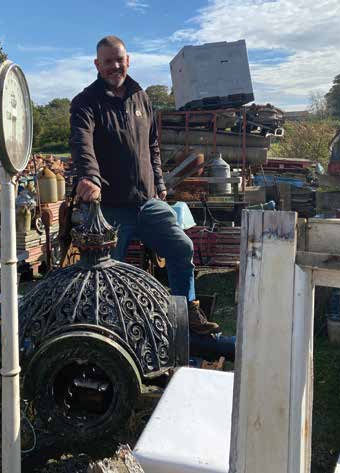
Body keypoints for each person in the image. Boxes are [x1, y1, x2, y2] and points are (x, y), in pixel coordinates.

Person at [69, 35, 219, 335]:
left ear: (128, 60)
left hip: (147, 201)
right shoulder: (85, 102)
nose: (115, 66)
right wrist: (90, 177)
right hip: (108, 206)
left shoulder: (142, 97)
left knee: (181, 246)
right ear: (97, 65)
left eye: (119, 59)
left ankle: (185, 310)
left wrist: (160, 182)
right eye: (108, 61)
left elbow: (152, 145)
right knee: (105, 271)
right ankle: (107, 326)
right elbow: (81, 143)